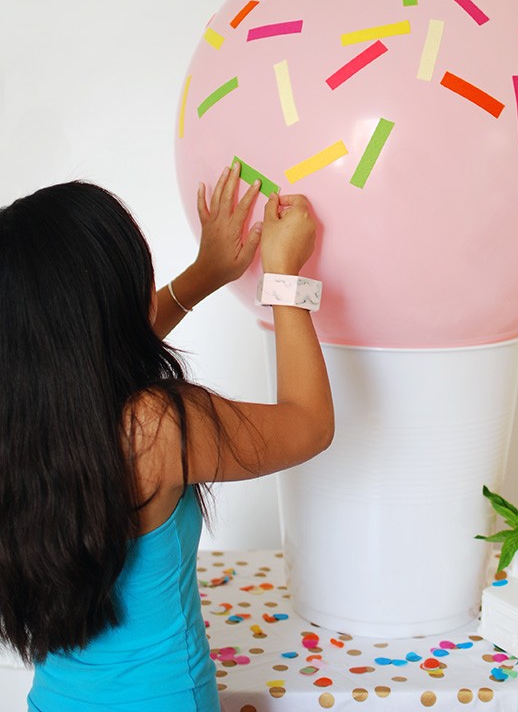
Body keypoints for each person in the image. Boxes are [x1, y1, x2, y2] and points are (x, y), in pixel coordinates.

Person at [0, 160, 334, 712]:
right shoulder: (152, 427)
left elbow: (87, 360)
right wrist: (285, 276)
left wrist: (206, 273)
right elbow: (309, 423)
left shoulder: (26, 418)